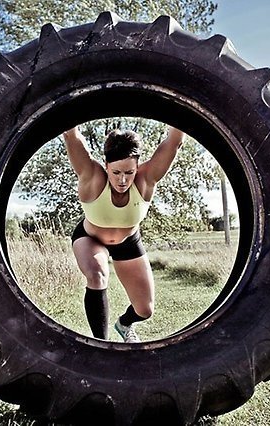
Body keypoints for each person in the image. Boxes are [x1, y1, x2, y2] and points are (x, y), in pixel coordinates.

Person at [62, 125, 185, 342]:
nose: (122, 180)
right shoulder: (91, 176)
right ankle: (102, 346)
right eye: (116, 172)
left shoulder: (146, 179)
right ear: (106, 166)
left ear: (138, 166)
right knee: (97, 273)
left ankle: (124, 324)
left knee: (145, 309)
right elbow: (71, 135)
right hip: (90, 238)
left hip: (128, 242)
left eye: (129, 172)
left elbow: (174, 140)